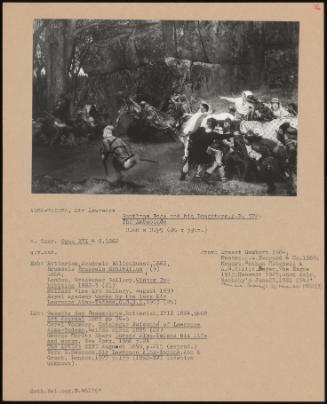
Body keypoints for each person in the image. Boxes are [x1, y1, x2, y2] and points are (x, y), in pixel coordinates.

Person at [180, 117, 226, 182]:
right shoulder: (212, 133)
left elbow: (191, 137)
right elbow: (220, 138)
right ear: (214, 126)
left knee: (189, 162)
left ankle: (183, 176)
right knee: (215, 159)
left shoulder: (201, 129)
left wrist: (186, 152)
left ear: (207, 124)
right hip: (200, 150)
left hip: (192, 148)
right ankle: (206, 175)